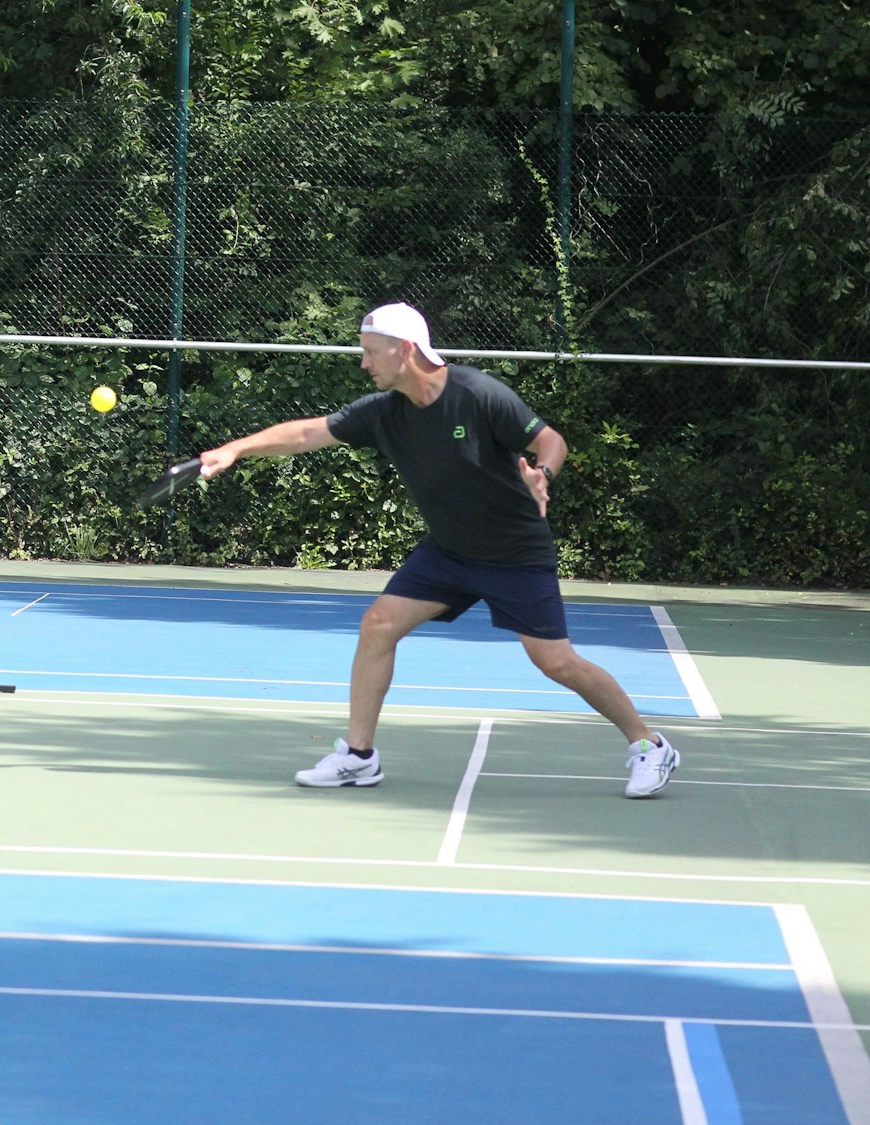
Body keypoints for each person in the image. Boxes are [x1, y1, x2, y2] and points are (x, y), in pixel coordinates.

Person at [196, 302, 680, 798]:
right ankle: (359, 757)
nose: (363, 364)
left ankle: (649, 746)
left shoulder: (479, 394)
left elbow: (551, 440)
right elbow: (305, 432)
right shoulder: (384, 412)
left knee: (556, 662)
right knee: (379, 623)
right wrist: (235, 449)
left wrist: (543, 474)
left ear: (404, 350)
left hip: (514, 553)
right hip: (448, 553)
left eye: (370, 353)